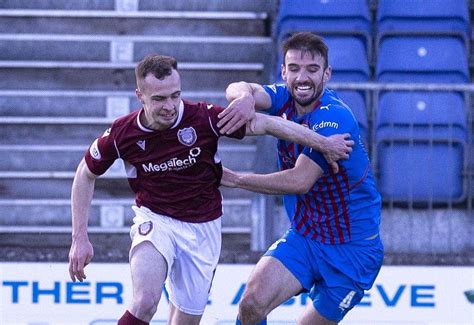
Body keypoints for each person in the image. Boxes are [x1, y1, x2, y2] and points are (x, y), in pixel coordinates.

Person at [67, 54, 353, 325]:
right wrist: (79, 237)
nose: (170, 106)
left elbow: (268, 124)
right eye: (159, 99)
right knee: (144, 301)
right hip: (155, 221)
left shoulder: (202, 118)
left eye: (175, 95)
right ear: (140, 96)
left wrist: (323, 143)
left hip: (203, 229)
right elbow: (85, 173)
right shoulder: (122, 134)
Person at [221, 32, 384, 324]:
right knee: (251, 305)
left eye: (312, 69)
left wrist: (236, 179)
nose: (302, 77)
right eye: (294, 68)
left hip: (353, 251)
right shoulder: (283, 96)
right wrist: (245, 97)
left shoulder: (335, 117)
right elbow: (237, 87)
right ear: (283, 72)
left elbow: (300, 181)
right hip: (306, 237)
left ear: (327, 74)